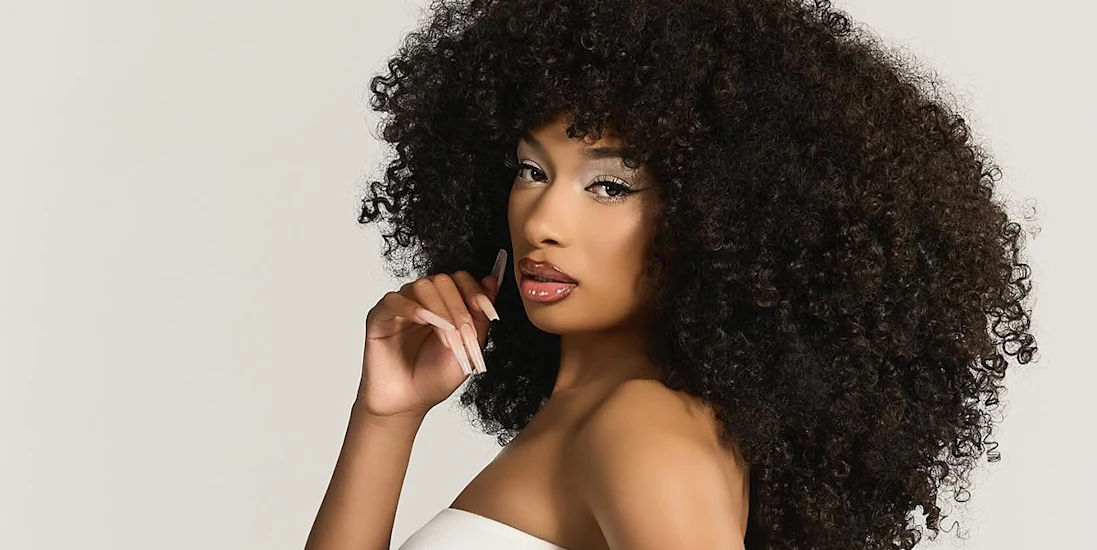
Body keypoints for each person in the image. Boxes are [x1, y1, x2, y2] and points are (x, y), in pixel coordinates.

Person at [305, 0, 1039, 549]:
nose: (543, 221)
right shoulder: (587, 418)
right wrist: (386, 417)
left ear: (717, 218)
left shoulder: (641, 429)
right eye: (531, 171)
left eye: (609, 186)